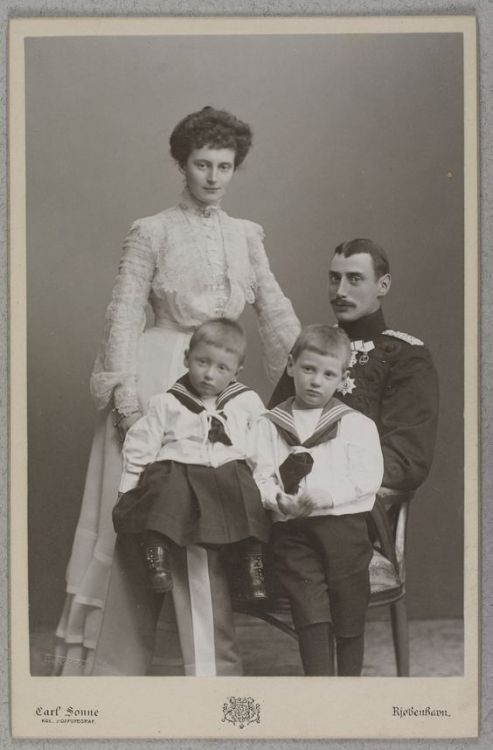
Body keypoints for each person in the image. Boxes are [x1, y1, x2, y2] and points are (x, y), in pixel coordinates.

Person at [53, 106, 300, 676]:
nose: (213, 177)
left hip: (220, 381)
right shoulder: (152, 231)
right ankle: (115, 667)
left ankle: (209, 672)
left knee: (202, 523)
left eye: (225, 166)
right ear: (181, 164)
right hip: (156, 375)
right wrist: (125, 398)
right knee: (135, 516)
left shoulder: (246, 236)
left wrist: (307, 382)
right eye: (201, 164)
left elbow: (274, 308)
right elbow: (122, 315)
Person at [250, 325, 384, 676]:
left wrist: (328, 495)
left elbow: (368, 478)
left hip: (345, 532)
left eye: (328, 374)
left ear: (342, 378)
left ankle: (349, 685)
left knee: (348, 607)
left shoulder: (356, 425)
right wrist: (278, 499)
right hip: (293, 533)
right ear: (292, 365)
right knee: (309, 610)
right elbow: (259, 476)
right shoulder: (267, 424)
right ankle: (319, 689)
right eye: (308, 369)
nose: (316, 381)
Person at [112, 318, 269, 601]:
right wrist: (127, 485)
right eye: (202, 362)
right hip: (179, 469)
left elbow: (262, 444)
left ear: (237, 371)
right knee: (162, 489)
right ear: (186, 358)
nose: (210, 374)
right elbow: (140, 443)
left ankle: (251, 562)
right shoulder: (167, 402)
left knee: (247, 492)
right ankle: (156, 555)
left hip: (226, 470)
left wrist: (264, 483)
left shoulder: (246, 402)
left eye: (222, 368)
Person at [268, 238, 438, 493]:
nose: (340, 292)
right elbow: (274, 424)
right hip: (287, 491)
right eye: (335, 279)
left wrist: (321, 485)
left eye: (354, 279)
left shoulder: (406, 356)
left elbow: (405, 461)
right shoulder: (310, 348)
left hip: (355, 503)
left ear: (383, 285)